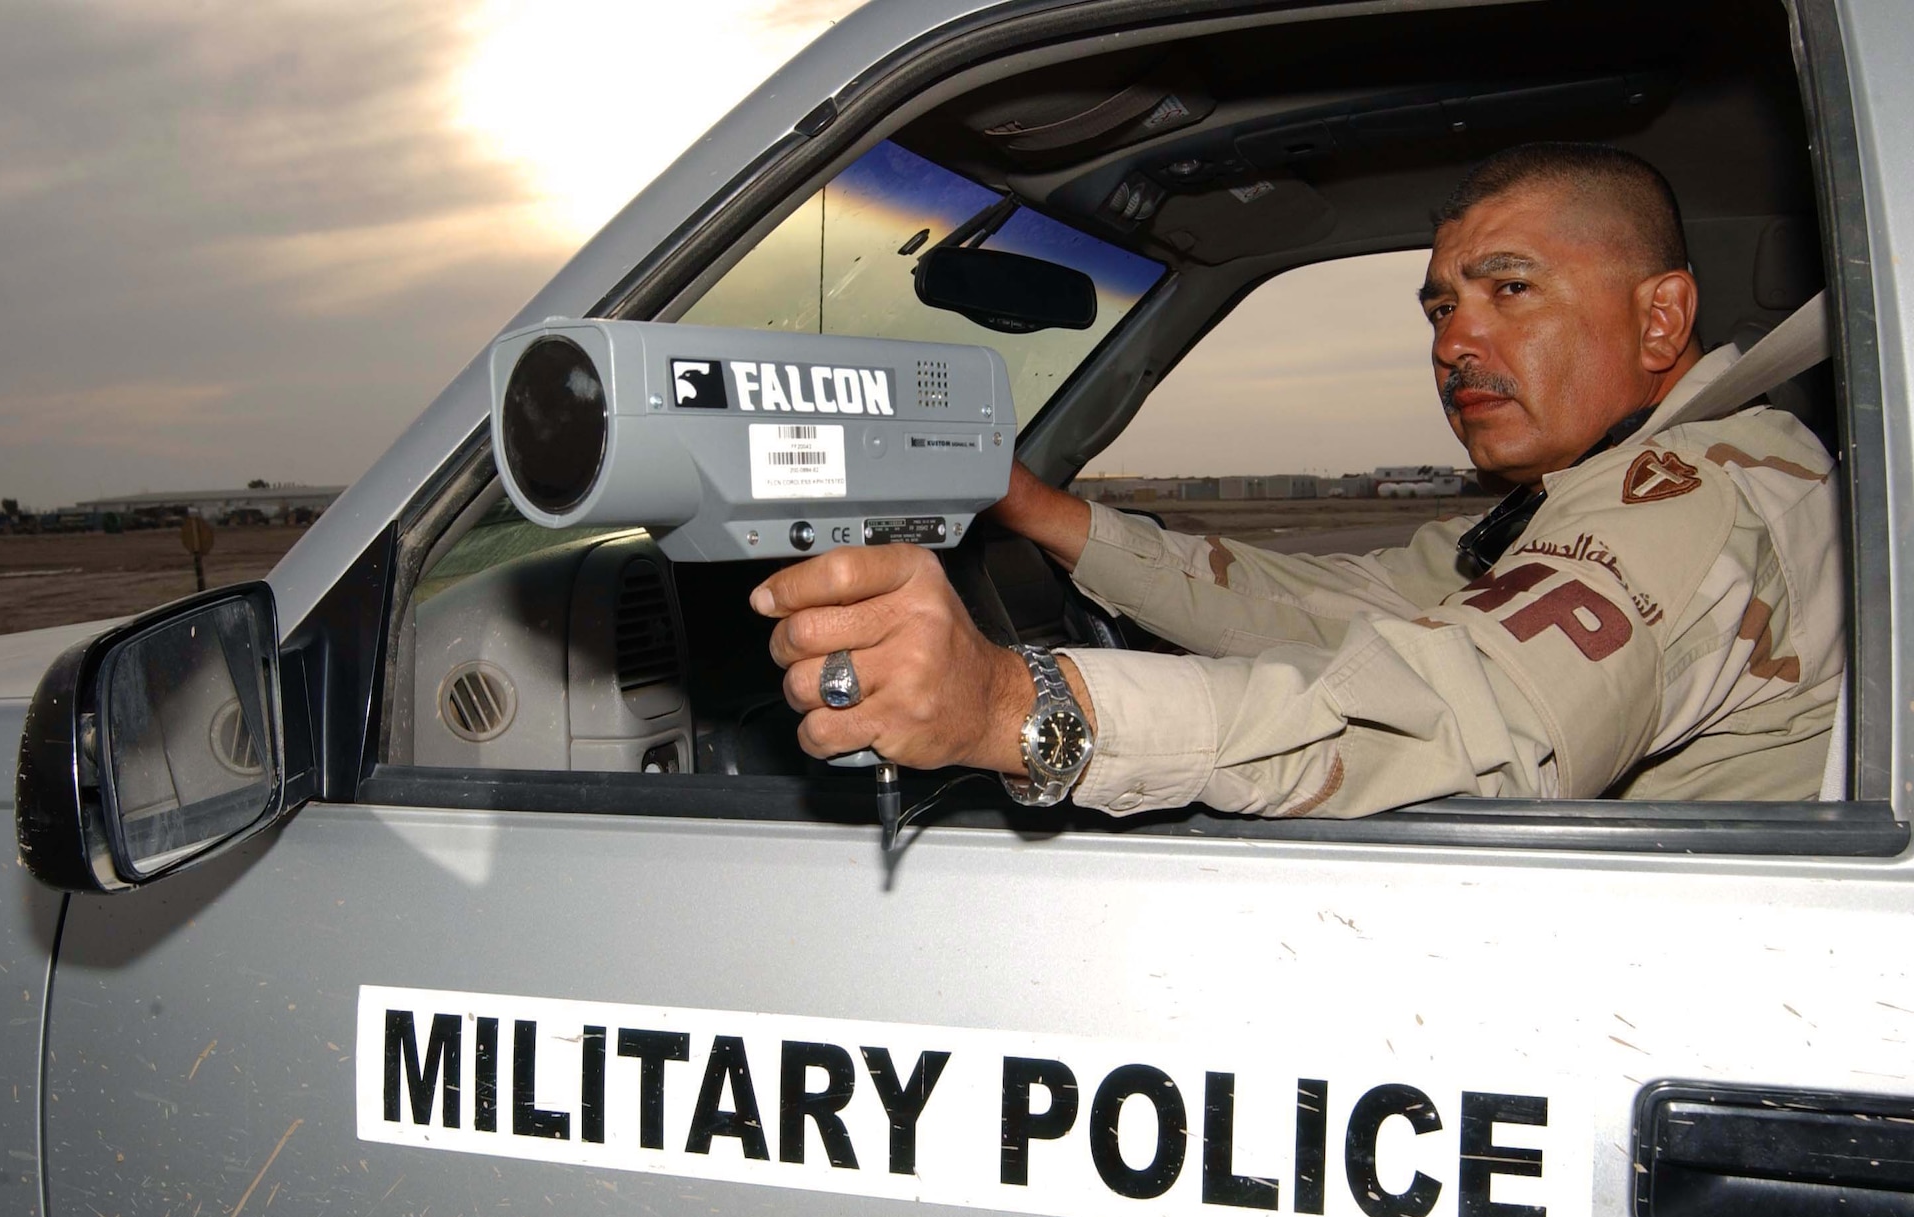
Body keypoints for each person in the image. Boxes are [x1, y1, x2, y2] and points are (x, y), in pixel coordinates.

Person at [749, 142, 1845, 817]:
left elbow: (1457, 717)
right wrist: (1034, 507)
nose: (1454, 338)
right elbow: (1325, 606)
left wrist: (1013, 706)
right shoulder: (1573, 504)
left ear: (1659, 318)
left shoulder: (1699, 496)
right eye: (1437, 305)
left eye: (1507, 289)